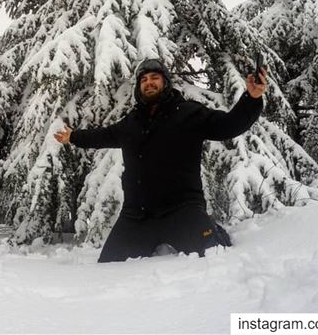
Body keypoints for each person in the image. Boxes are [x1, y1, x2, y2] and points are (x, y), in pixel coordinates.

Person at [54, 58, 266, 263]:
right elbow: (104, 135)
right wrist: (73, 137)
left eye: (154, 77)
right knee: (108, 266)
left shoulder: (188, 113)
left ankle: (211, 226)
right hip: (137, 216)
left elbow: (228, 125)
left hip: (183, 209)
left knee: (216, 253)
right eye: (144, 80)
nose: (149, 83)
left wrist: (252, 98)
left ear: (165, 82)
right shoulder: (131, 123)